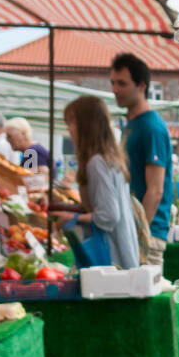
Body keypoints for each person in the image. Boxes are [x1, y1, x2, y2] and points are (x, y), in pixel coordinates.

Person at [62, 95, 139, 269]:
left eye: (72, 123)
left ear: (86, 126)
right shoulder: (110, 158)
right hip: (123, 250)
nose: (69, 129)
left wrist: (72, 218)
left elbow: (108, 215)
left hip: (110, 256)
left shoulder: (97, 163)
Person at [111, 52, 173, 267]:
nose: (115, 90)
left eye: (122, 83)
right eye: (113, 83)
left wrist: (139, 236)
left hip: (147, 234)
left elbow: (155, 191)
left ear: (142, 86)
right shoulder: (131, 124)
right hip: (132, 231)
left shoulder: (151, 128)